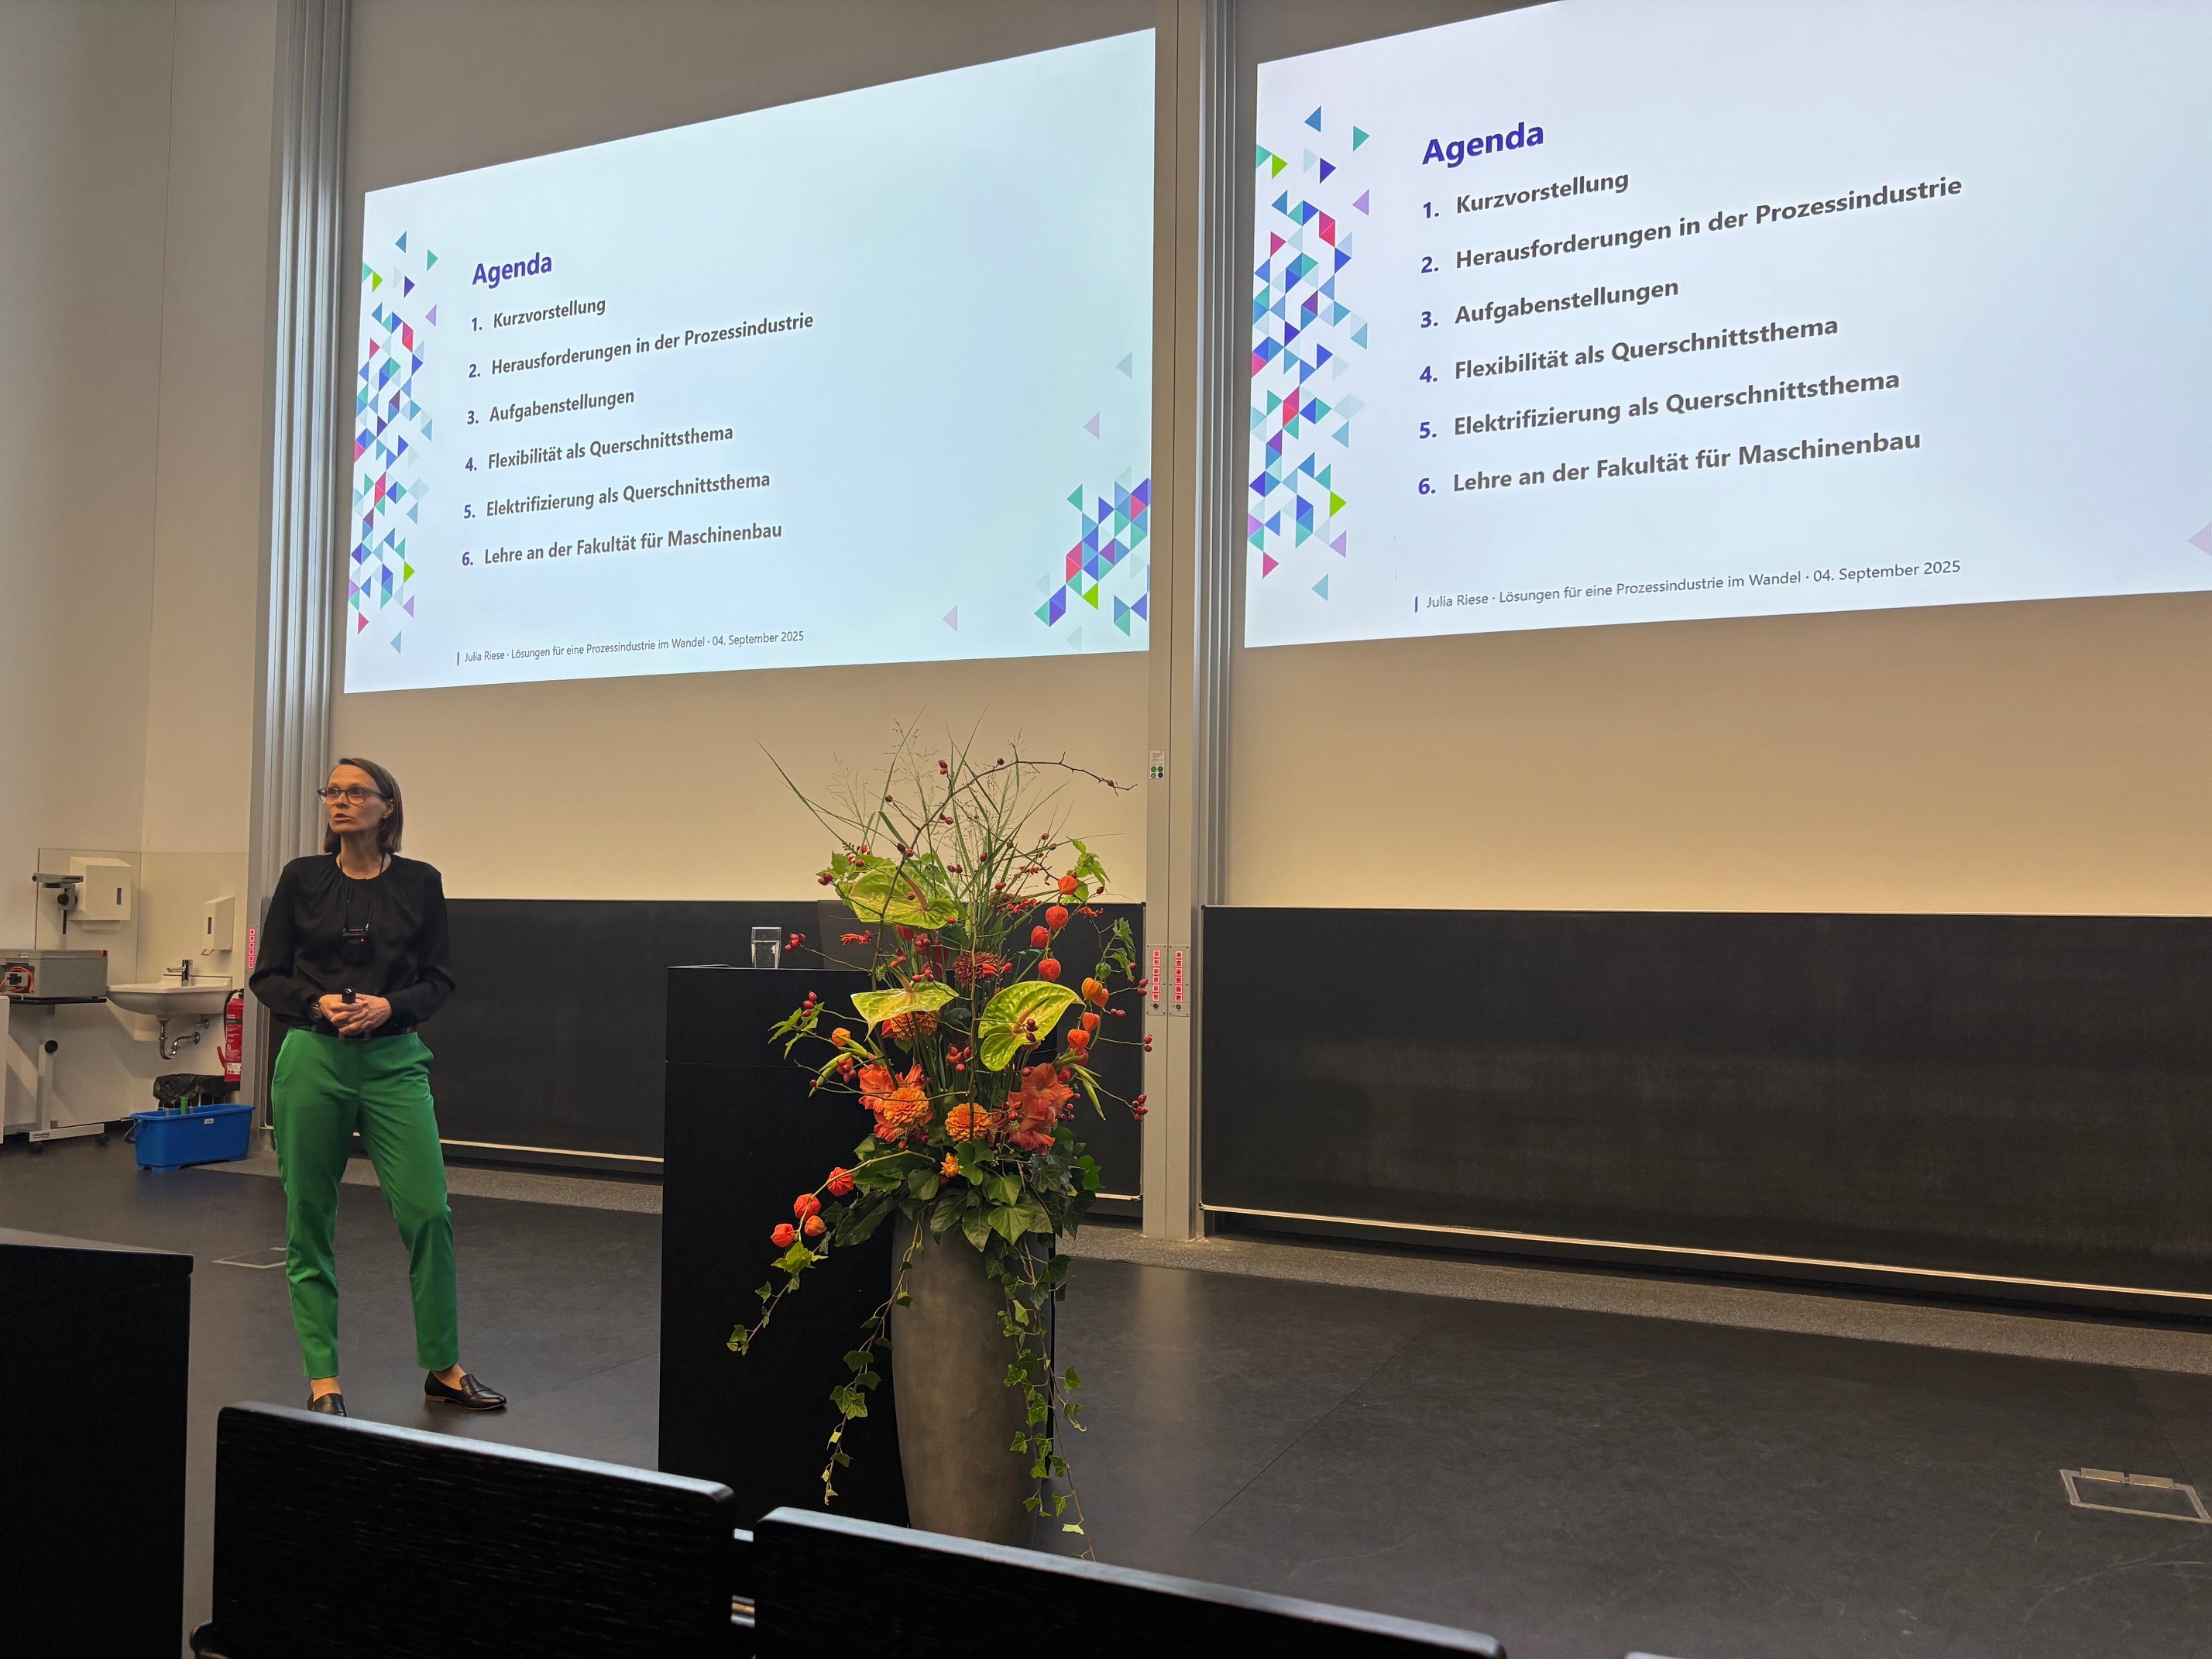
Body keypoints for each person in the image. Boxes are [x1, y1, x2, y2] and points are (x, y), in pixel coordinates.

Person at [249, 757, 505, 1418]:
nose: (340, 801)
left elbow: (440, 979)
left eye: (355, 792)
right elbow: (268, 976)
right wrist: (316, 1003)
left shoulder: (421, 882)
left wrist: (390, 1007)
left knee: (429, 1213)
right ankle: (323, 1380)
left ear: (387, 806)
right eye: (332, 791)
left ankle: (443, 1367)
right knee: (309, 1217)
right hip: (313, 1059)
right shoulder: (301, 878)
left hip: (395, 1060)